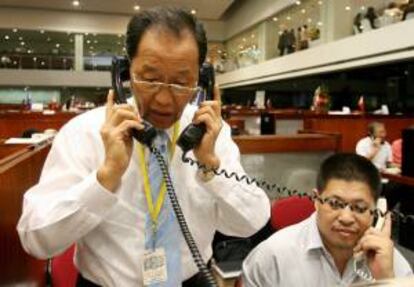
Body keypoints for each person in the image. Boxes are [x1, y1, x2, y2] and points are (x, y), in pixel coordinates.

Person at [16, 7, 270, 287]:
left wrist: (210, 167)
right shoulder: (83, 133)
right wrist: (105, 177)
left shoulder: (210, 134)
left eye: (182, 83)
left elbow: (251, 222)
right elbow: (36, 240)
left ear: (203, 81)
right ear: (123, 72)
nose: (164, 99)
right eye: (149, 79)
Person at [242, 153, 413, 286]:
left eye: (360, 208)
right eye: (335, 203)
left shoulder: (389, 260)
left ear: (377, 210)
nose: (346, 218)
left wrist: (386, 280)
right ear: (316, 200)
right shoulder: (272, 256)